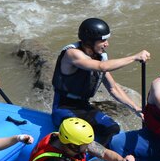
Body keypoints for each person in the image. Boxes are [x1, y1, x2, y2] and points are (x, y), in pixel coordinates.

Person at [51, 18, 150, 147]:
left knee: (112, 128)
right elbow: (102, 67)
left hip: (83, 106)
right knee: (79, 133)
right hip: (63, 107)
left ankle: (96, 159)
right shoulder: (72, 54)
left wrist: (135, 108)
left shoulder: (99, 56)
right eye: (103, 40)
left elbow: (113, 88)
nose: (107, 44)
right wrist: (134, 57)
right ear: (89, 41)